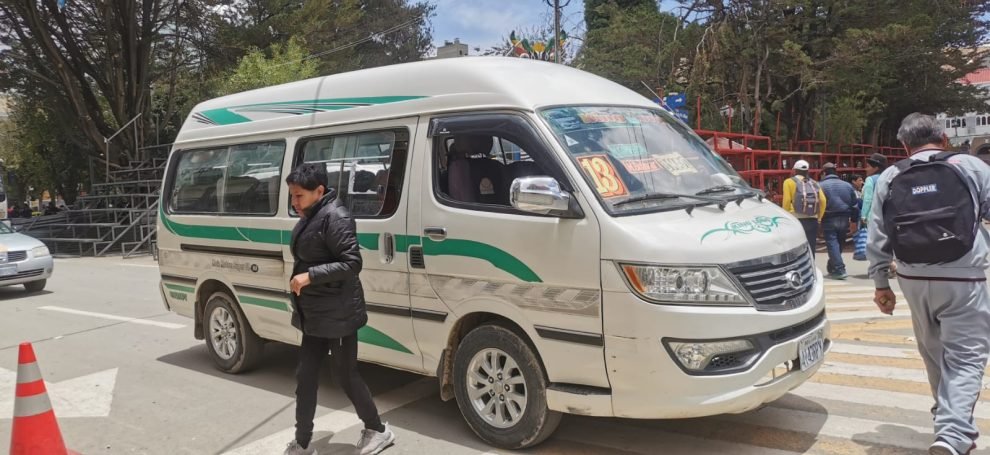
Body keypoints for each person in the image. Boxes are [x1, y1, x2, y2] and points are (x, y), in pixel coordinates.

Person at [867, 113, 990, 455]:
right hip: (963, 275)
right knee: (965, 358)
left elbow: (877, 234)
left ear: (905, 145)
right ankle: (952, 436)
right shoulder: (972, 166)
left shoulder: (890, 175)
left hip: (912, 277)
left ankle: (945, 418)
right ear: (944, 138)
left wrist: (881, 283)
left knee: (933, 351)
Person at [284, 163, 395, 455]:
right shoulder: (312, 215)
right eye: (292, 196)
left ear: (319, 191)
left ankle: (378, 430)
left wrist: (310, 276)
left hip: (340, 313)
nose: (294, 203)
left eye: (299, 196)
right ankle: (303, 441)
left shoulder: (336, 216)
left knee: (345, 375)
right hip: (315, 313)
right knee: (305, 375)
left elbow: (352, 262)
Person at [819, 163, 857, 279]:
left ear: (824, 173)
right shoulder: (847, 186)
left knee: (832, 243)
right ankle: (833, 266)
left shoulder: (820, 186)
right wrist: (854, 220)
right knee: (839, 243)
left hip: (829, 217)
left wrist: (818, 219)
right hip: (845, 217)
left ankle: (839, 269)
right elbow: (854, 205)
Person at [781, 159, 826, 255]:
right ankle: (811, 267)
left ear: (794, 170)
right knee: (811, 247)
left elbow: (787, 201)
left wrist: (786, 217)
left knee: (796, 248)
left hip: (795, 219)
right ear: (807, 171)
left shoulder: (788, 182)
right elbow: (823, 200)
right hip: (812, 219)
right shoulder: (814, 183)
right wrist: (819, 218)